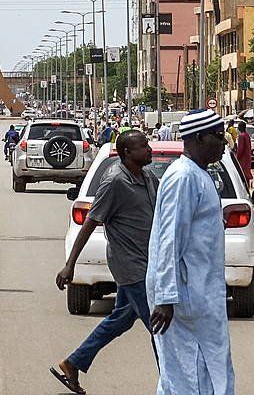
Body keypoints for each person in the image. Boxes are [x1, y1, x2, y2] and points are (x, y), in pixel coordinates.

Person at [52, 130, 157, 395]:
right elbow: (90, 222)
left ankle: (73, 363)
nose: (149, 149)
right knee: (161, 329)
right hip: (132, 267)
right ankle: (174, 384)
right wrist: (70, 263)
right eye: (143, 146)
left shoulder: (147, 177)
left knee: (121, 319)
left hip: (149, 262)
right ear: (127, 153)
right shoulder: (114, 182)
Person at [147, 109, 235, 395]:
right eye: (219, 136)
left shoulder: (199, 175)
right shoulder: (183, 177)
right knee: (190, 371)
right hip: (184, 296)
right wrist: (166, 297)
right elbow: (169, 240)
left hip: (201, 293)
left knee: (195, 371)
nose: (224, 143)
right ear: (199, 138)